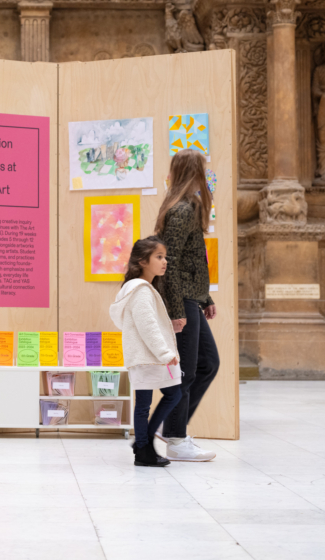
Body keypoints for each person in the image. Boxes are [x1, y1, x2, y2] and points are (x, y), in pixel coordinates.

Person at [153, 148, 219, 463]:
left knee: (207, 363)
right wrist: (178, 311)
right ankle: (176, 438)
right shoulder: (181, 210)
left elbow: (192, 262)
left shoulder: (186, 207)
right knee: (186, 371)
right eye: (201, 172)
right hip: (181, 302)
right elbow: (172, 264)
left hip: (192, 299)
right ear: (194, 173)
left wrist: (205, 298)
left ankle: (170, 426)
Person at [109, 236, 182, 467]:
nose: (165, 262)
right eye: (159, 257)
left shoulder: (144, 289)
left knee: (165, 396)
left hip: (147, 357)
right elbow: (147, 326)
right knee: (148, 403)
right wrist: (164, 353)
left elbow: (148, 323)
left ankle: (142, 444)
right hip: (148, 358)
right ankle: (143, 449)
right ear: (142, 261)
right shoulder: (140, 291)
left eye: (165, 257)